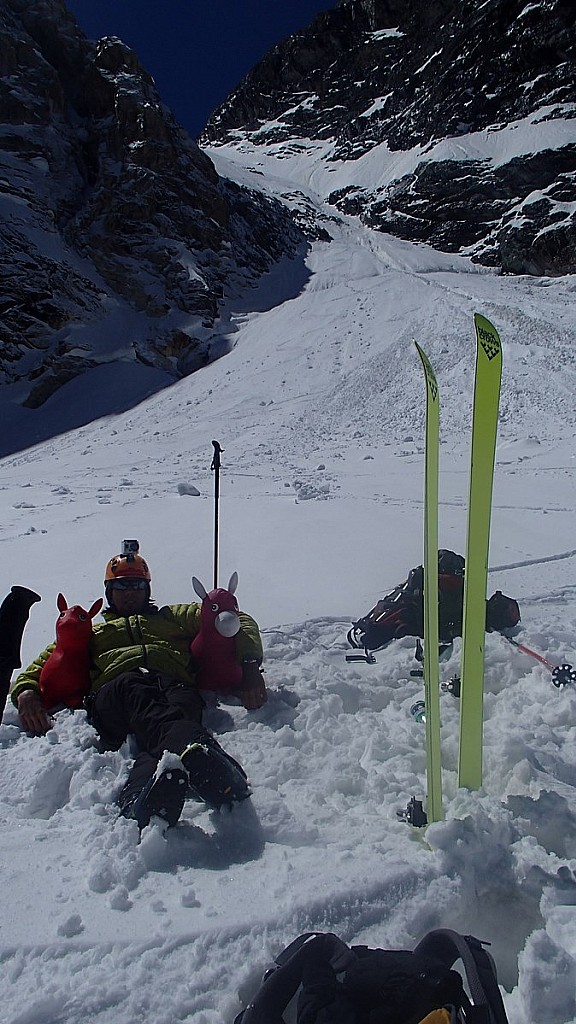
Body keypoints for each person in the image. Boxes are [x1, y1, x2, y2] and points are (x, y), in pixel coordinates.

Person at [12, 544, 267, 829]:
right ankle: (206, 759)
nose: (130, 591)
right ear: (109, 592)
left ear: (147, 589)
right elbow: (42, 665)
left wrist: (249, 664)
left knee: (173, 716)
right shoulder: (93, 631)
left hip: (172, 685)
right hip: (115, 693)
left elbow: (233, 617)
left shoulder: (171, 616)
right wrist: (26, 692)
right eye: (121, 586)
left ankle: (138, 801)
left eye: (136, 584)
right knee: (138, 689)